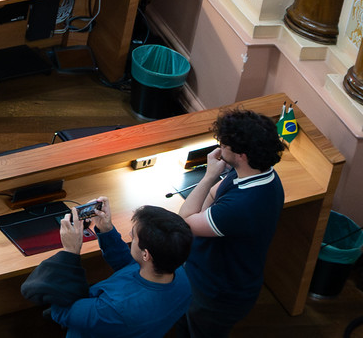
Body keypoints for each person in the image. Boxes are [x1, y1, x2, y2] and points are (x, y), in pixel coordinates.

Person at [176, 108, 290, 337]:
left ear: (241, 155)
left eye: (224, 144)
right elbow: (212, 196)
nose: (219, 148)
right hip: (215, 277)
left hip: (217, 294)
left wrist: (208, 176)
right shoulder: (259, 172)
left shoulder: (241, 206)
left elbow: (184, 222)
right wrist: (205, 211)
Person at [22, 202, 192, 338]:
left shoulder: (115, 310)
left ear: (146, 254)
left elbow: (61, 312)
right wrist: (106, 230)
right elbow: (128, 266)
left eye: (133, 237)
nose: (130, 236)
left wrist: (70, 253)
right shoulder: (180, 277)